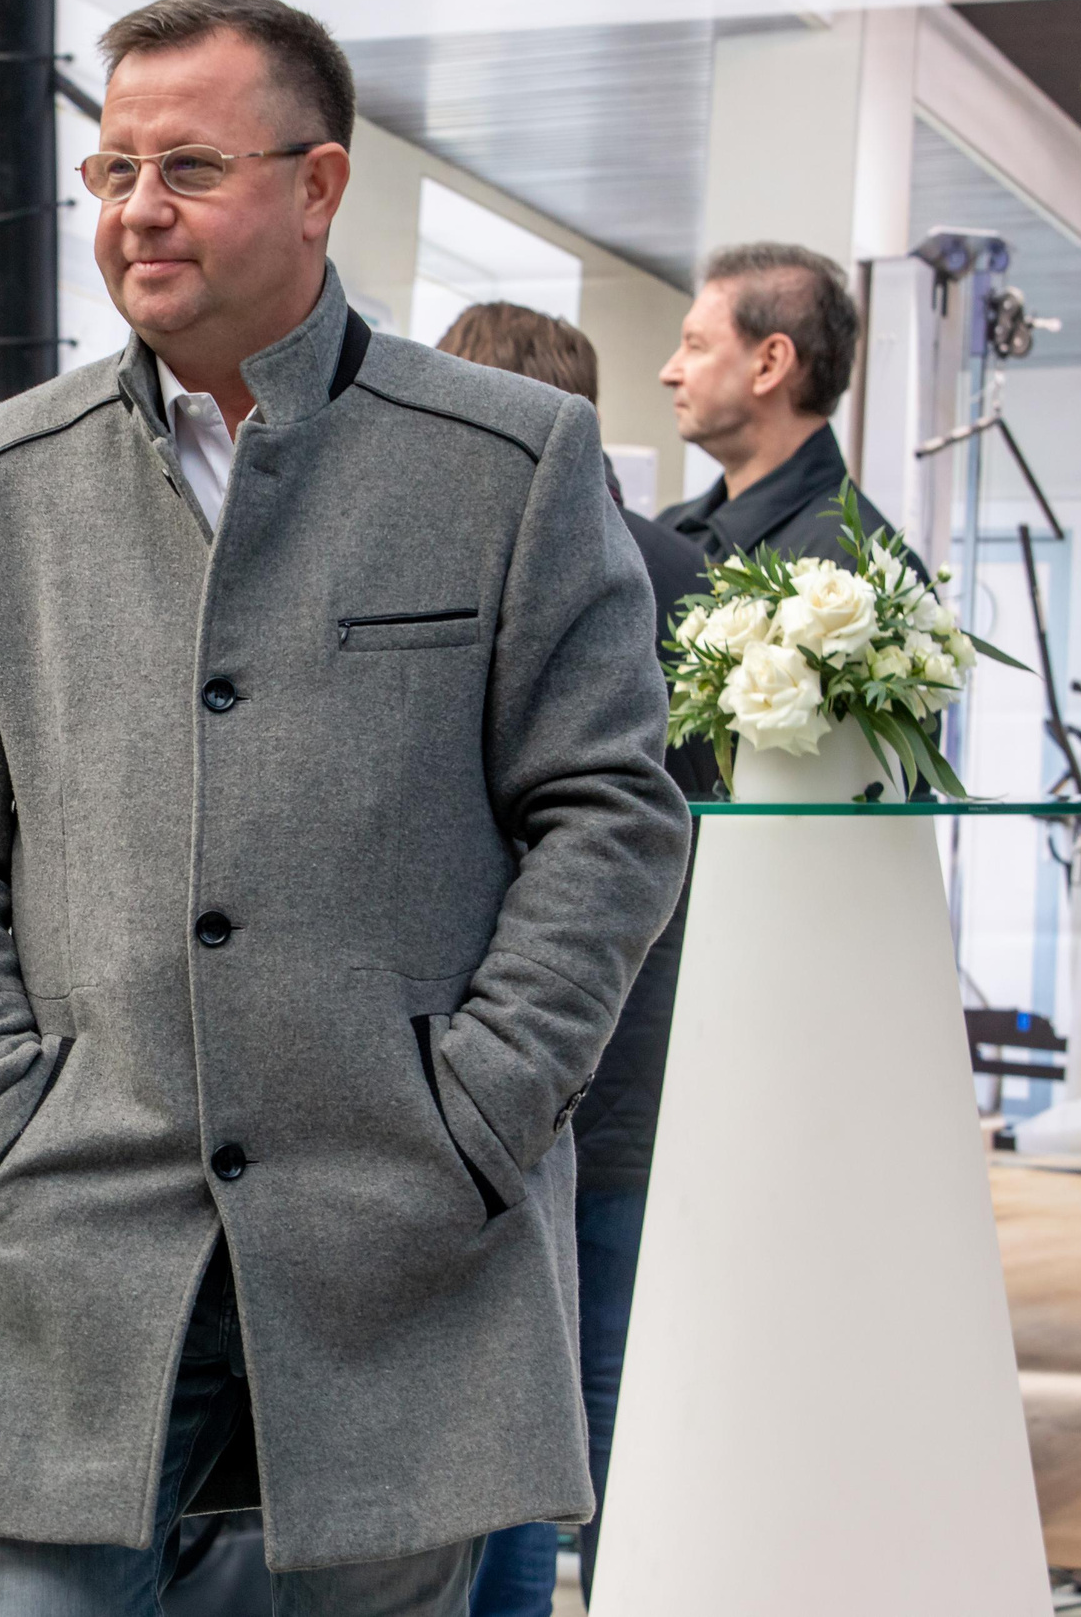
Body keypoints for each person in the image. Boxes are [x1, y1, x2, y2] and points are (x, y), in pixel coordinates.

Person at [0, 0, 691, 1615]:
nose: (134, 210)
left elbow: (608, 811)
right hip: (78, 1237)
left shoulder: (505, 465)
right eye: (109, 170)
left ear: (319, 187)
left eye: (185, 164)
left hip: (397, 1242)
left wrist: (479, 1105)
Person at [435, 302, 719, 1617]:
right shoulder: (686, 575)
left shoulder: (460, 554)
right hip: (642, 1046)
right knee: (606, 1393)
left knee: (497, 1411)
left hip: (489, 1050)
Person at [656, 241, 900, 565]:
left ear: (770, 364)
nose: (669, 373)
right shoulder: (670, 532)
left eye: (695, 346)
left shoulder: (862, 570)